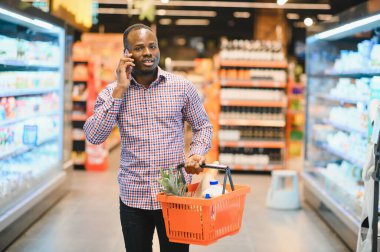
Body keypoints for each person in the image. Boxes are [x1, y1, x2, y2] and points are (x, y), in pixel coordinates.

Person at [83, 23, 213, 252]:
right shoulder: (112, 92)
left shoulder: (181, 87)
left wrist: (196, 153)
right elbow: (94, 136)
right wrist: (120, 90)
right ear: (127, 54)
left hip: (174, 193)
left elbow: (203, 126)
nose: (148, 53)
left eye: (152, 46)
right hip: (134, 195)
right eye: (139, 47)